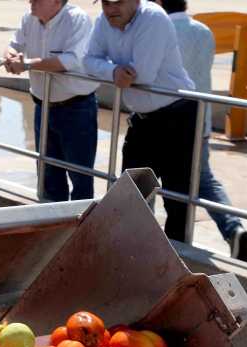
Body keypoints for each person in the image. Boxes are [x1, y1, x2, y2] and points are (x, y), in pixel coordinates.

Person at [84, 0, 197, 242]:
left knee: (177, 196)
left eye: (118, 2)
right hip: (143, 118)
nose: (111, 8)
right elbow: (88, 60)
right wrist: (113, 72)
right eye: (105, 2)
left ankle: (177, 259)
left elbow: (142, 74)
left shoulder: (153, 18)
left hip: (177, 114)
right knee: (130, 192)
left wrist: (107, 69)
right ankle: (134, 247)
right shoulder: (104, 21)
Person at [155, 0, 247, 261]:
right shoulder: (203, 30)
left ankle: (155, 238)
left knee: (160, 181)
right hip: (201, 118)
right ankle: (234, 228)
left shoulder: (161, 31)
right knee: (204, 179)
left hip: (170, 118)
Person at [2, 0, 99, 201]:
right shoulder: (29, 18)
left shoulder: (76, 20)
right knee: (48, 175)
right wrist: (11, 57)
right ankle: (54, 227)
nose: (31, 1)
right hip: (43, 107)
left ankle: (81, 228)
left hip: (76, 109)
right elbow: (13, 45)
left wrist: (27, 65)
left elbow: (70, 60)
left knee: (80, 176)